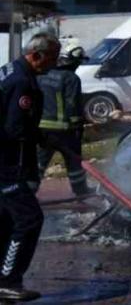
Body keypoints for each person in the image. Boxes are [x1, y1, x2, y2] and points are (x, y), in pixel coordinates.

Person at [0, 33, 61, 302]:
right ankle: (8, 281)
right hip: (6, 164)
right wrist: (37, 137)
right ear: (36, 55)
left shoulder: (9, 70)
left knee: (6, 221)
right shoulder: (23, 82)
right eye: (51, 58)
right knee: (28, 219)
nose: (53, 63)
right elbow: (14, 129)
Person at [35, 43, 92, 197]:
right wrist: (79, 127)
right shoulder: (71, 78)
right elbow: (72, 106)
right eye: (78, 62)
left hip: (42, 131)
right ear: (72, 61)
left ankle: (27, 193)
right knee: (74, 164)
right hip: (65, 131)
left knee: (38, 165)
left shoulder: (42, 75)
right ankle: (81, 192)